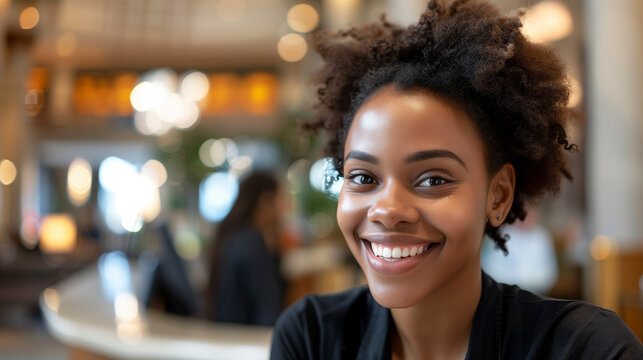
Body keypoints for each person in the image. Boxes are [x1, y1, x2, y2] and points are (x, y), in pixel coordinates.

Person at [270, 1, 643, 359]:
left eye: (432, 180)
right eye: (364, 177)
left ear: (497, 196)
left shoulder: (585, 348)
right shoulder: (312, 337)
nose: (387, 210)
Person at [205, 172, 285, 326]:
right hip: (247, 341)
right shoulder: (252, 242)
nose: (283, 209)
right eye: (279, 200)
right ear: (265, 200)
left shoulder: (234, 237)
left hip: (228, 335)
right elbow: (268, 308)